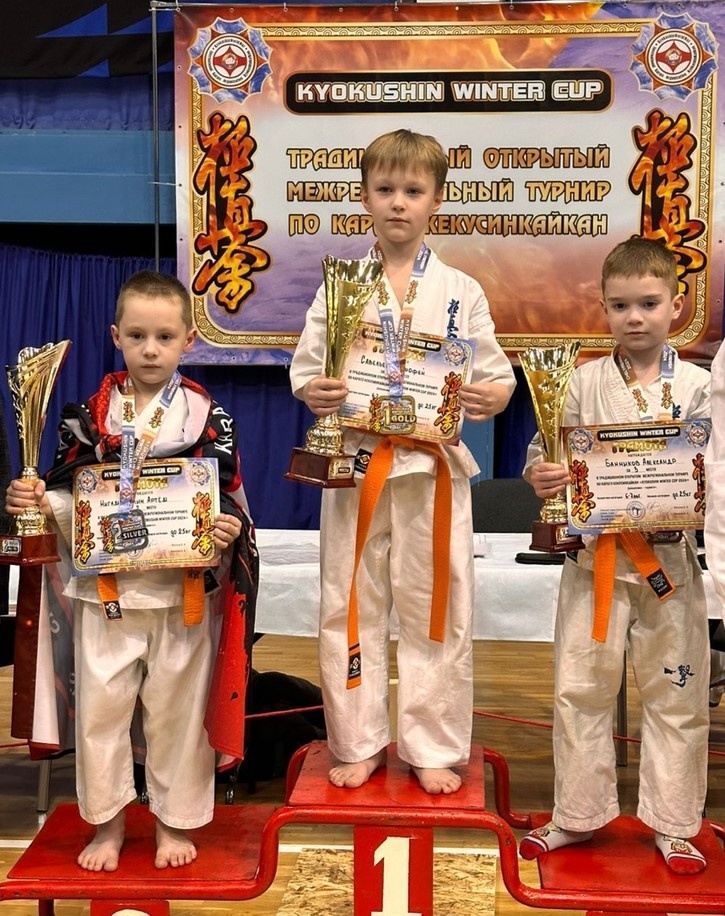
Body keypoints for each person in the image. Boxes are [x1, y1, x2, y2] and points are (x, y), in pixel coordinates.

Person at [5, 270, 257, 872]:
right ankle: (108, 826)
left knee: (176, 717)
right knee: (102, 715)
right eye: (138, 336)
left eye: (164, 337)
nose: (150, 349)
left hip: (183, 595)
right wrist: (37, 501)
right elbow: (69, 494)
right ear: (116, 336)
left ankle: (173, 824)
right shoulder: (87, 417)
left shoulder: (209, 417)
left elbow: (229, 499)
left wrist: (228, 529)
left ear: (188, 340)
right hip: (106, 595)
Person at [289, 129, 516, 795]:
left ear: (435, 200)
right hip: (354, 466)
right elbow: (308, 368)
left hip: (431, 468)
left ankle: (432, 744)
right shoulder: (340, 285)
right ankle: (355, 740)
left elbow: (495, 375)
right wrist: (316, 390)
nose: (397, 203)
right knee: (348, 602)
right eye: (384, 189)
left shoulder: (461, 290)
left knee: (435, 605)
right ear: (364, 197)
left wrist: (491, 395)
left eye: (412, 191)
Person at [520, 237, 710, 874]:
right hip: (593, 563)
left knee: (676, 696)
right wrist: (543, 475)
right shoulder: (580, 382)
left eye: (649, 303)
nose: (635, 317)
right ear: (602, 307)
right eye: (621, 305)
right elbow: (545, 451)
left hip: (670, 567)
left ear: (676, 306)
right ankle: (577, 815)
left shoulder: (701, 387)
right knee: (579, 691)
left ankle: (675, 823)